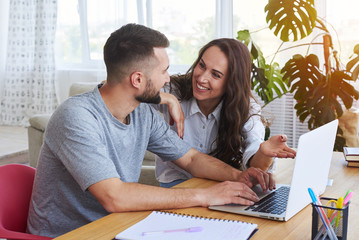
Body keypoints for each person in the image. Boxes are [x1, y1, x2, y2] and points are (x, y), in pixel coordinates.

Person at [27, 23, 274, 238]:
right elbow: (115, 197)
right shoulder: (76, 117)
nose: (169, 80)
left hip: (119, 226)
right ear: (137, 80)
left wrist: (238, 177)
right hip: (72, 235)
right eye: (163, 71)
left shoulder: (142, 112)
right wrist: (205, 195)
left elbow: (190, 158)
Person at [154, 38, 296, 188]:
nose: (202, 78)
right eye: (201, 66)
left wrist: (264, 154)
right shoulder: (174, 90)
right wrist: (168, 99)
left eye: (216, 75)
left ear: (231, 82)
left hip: (220, 185)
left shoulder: (245, 107)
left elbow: (254, 155)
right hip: (176, 184)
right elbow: (133, 92)